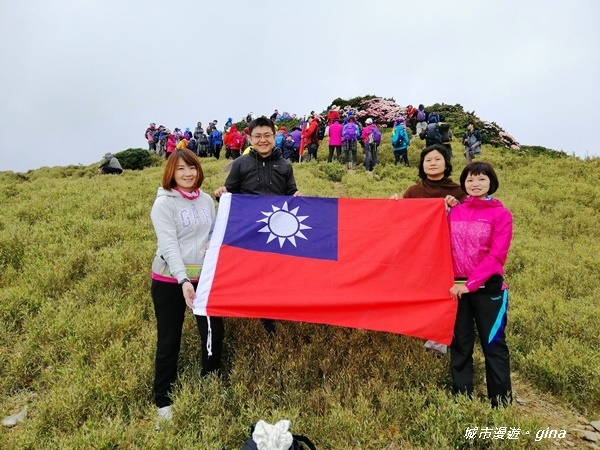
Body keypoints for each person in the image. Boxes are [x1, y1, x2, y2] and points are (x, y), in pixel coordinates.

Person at [150, 148, 224, 427]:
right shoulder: (164, 204)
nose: (187, 173)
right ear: (172, 172)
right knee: (169, 339)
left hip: (204, 280)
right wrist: (183, 280)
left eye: (191, 167)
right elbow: (169, 245)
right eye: (180, 169)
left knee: (213, 332)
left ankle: (210, 383)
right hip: (170, 281)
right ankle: (163, 401)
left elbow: (215, 231)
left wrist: (212, 242)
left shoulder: (206, 200)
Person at [214, 117, 300, 335]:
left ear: (274, 136)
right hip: (248, 230)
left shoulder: (285, 164)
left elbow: (290, 192)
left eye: (267, 135)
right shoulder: (240, 164)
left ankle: (270, 313)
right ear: (250, 138)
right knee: (249, 271)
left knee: (274, 272)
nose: (263, 140)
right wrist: (221, 194)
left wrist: (297, 197)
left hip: (277, 231)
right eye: (257, 136)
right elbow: (230, 192)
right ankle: (241, 305)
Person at [447, 161, 513, 408]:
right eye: (470, 179)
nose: (475, 184)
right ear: (463, 183)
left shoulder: (501, 214)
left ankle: (501, 405)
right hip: (457, 290)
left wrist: (470, 284)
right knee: (460, 345)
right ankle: (462, 399)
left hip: (489, 291)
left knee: (493, 346)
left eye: (481, 179)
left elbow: (497, 256)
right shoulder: (455, 211)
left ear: (491, 183)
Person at [392, 144, 466, 354]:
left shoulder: (459, 192)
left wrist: (455, 208)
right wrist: (394, 206)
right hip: (417, 252)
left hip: (447, 253)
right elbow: (400, 222)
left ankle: (438, 338)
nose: (432, 163)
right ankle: (412, 327)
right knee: (417, 288)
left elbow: (468, 223)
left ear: (446, 163)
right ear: (422, 165)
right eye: (428, 160)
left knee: (443, 292)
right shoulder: (413, 191)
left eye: (437, 159)